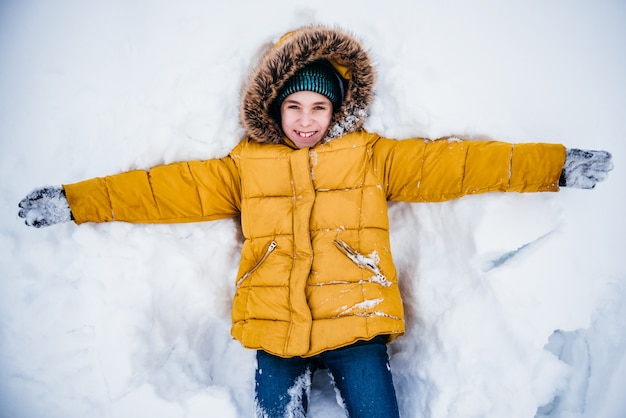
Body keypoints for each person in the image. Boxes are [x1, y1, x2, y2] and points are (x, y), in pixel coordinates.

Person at [17, 25, 613, 417]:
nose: (305, 120)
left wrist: (555, 166)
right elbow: (158, 190)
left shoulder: (374, 157)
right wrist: (74, 201)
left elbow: (462, 164)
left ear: (338, 109)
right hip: (275, 332)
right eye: (294, 106)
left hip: (356, 326)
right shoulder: (244, 167)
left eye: (319, 107)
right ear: (275, 109)